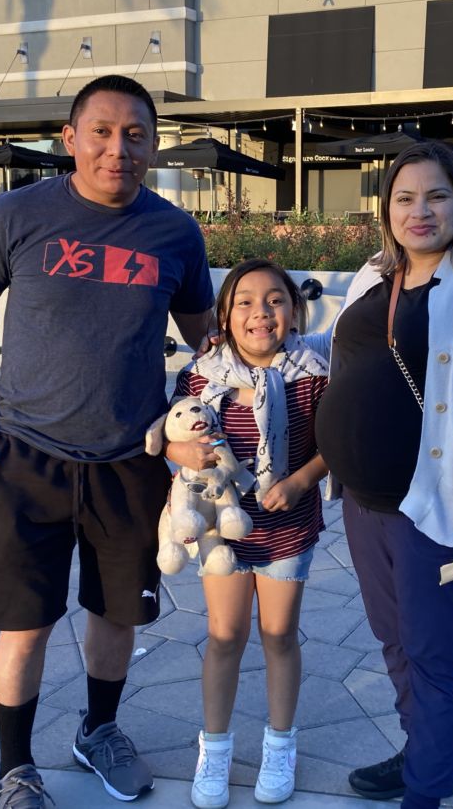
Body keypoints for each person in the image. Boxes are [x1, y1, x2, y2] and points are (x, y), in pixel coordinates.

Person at [0, 74, 216, 809]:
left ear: (153, 147)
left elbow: (209, 346)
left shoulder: (175, 233)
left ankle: (98, 730)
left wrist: (213, 421)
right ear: (70, 139)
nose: (117, 148)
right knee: (25, 625)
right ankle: (14, 769)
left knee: (117, 614)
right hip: (26, 457)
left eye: (135, 135)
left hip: (131, 462)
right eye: (101, 131)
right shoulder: (18, 214)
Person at [309, 141, 453, 809]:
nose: (420, 210)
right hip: (363, 504)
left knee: (437, 654)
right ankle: (423, 755)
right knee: (396, 642)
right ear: (387, 209)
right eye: (405, 198)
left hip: (437, 511)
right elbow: (342, 354)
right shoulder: (372, 275)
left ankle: (426, 792)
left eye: (437, 195)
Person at [165, 259, 329, 809]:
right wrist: (179, 451)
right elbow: (169, 432)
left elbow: (337, 442)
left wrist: (302, 480)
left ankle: (280, 745)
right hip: (222, 530)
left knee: (279, 635)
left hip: (287, 528)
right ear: (224, 316)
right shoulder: (200, 374)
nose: (261, 312)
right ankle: (214, 749)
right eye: (245, 302)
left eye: (275, 300)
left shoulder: (314, 373)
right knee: (225, 636)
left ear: (295, 310)